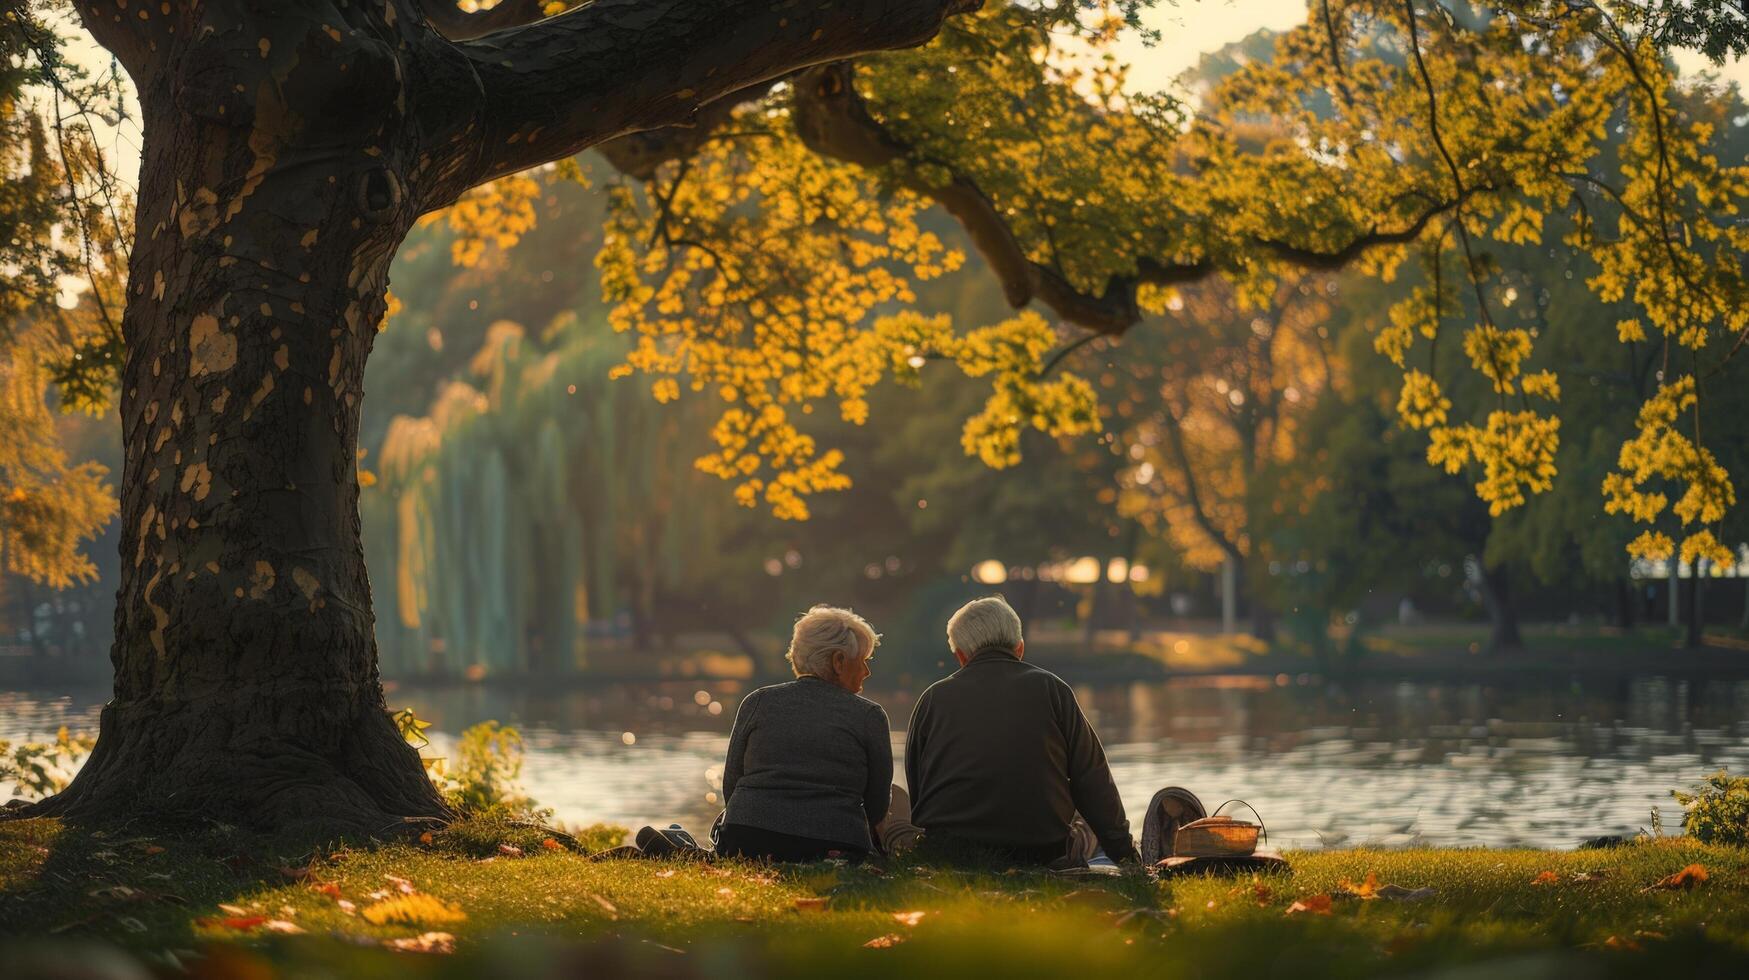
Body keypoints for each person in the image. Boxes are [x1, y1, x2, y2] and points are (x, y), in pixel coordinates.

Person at [879, 596, 1201, 867]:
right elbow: (1094, 781)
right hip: (1040, 854)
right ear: (1020, 648)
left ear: (960, 656)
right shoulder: (1052, 689)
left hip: (951, 855)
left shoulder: (932, 698)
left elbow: (921, 789)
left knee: (897, 800)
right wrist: (1127, 859)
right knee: (1084, 818)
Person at [713, 605, 893, 862]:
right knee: (897, 796)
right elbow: (876, 806)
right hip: (834, 845)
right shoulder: (869, 716)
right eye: (863, 661)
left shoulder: (757, 702)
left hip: (746, 841)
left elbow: (731, 783)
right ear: (838, 661)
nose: (867, 671)